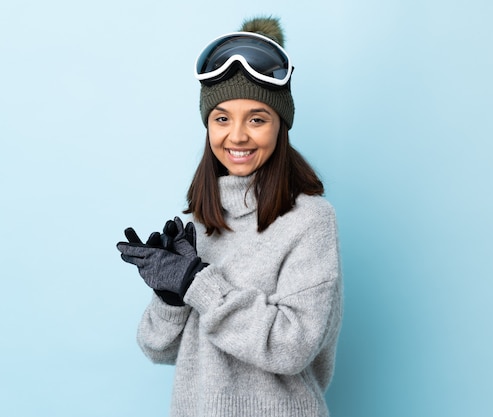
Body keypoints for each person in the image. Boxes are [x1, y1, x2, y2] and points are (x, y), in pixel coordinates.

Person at [117, 16, 343, 417]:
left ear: (280, 126)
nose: (237, 136)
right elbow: (157, 348)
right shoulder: (197, 221)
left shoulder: (310, 221)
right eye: (222, 118)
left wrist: (197, 283)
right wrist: (170, 296)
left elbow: (292, 347)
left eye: (256, 119)